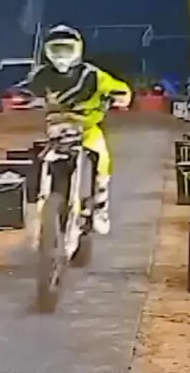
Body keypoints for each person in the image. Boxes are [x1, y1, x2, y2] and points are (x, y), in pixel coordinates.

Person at [18, 24, 132, 235]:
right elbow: (25, 88)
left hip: (87, 127)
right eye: (57, 49)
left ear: (77, 49)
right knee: (40, 157)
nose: (61, 55)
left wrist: (120, 97)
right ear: (47, 50)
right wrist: (21, 97)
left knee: (102, 159)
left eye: (66, 49)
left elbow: (120, 89)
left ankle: (100, 207)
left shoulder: (92, 75)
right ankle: (38, 197)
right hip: (58, 127)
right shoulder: (41, 74)